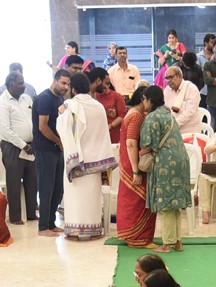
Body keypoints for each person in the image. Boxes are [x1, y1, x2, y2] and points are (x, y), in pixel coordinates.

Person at [57, 73, 116, 240]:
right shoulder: (98, 106)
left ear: (73, 89)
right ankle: (94, 231)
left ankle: (74, 233)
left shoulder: (69, 106)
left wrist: (61, 115)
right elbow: (103, 133)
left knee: (74, 197)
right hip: (95, 159)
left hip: (75, 159)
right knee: (92, 197)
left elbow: (62, 129)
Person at [138, 86, 191, 254]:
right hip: (181, 160)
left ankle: (167, 244)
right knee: (175, 203)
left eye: (144, 99)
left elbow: (148, 144)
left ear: (150, 100)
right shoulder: (168, 114)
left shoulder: (152, 117)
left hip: (165, 162)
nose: (143, 103)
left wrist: (136, 153)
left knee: (166, 203)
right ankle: (178, 242)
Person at [0, 72, 35, 227]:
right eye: (20, 83)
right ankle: (15, 216)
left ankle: (31, 213)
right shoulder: (1, 104)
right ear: (11, 84)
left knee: (32, 180)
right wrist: (23, 145)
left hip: (31, 145)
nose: (24, 85)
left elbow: (33, 119)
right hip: (12, 147)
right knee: (14, 182)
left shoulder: (26, 98)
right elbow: (6, 130)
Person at [115, 86, 157, 248]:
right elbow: (131, 144)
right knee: (137, 201)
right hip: (133, 164)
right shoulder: (136, 116)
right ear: (143, 99)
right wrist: (136, 171)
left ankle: (134, 236)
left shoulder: (133, 113)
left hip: (129, 163)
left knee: (132, 201)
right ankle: (138, 237)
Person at [34, 69, 70, 236]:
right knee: (46, 188)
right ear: (55, 81)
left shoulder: (59, 99)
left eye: (68, 84)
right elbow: (43, 126)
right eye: (63, 83)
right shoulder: (44, 98)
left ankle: (51, 222)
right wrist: (58, 141)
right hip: (45, 149)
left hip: (57, 149)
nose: (65, 87)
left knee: (58, 188)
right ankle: (43, 227)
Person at [88, 68, 126, 145]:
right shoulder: (88, 96)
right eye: (105, 83)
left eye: (108, 84)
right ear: (98, 81)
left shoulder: (115, 95)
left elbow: (122, 115)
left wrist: (106, 114)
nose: (106, 87)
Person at [163, 65, 202, 137]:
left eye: (170, 77)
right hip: (172, 131)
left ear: (179, 76)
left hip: (190, 132)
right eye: (166, 78)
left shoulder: (191, 88)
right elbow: (165, 110)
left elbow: (189, 112)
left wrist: (174, 125)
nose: (168, 81)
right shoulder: (167, 90)